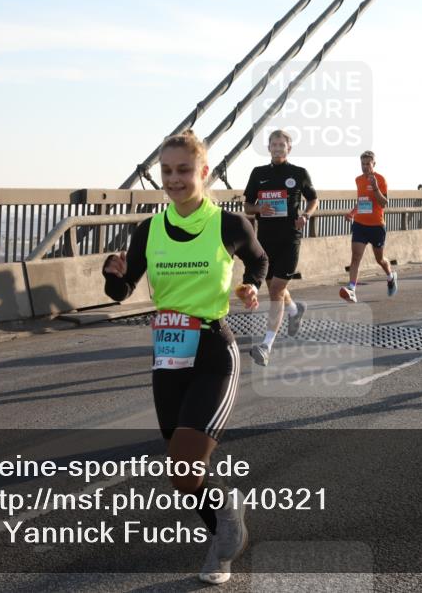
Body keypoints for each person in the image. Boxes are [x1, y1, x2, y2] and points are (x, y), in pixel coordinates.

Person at [103, 130, 267, 585]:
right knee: (182, 474)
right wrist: (112, 275)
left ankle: (222, 546)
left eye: (183, 170)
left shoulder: (230, 225)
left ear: (204, 172)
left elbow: (259, 260)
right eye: (167, 171)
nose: (174, 179)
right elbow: (121, 290)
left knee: (187, 461)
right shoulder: (148, 230)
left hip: (213, 349)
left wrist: (251, 285)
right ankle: (225, 532)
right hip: (169, 355)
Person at [242, 129, 318, 366]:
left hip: (290, 239)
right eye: (273, 144)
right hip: (265, 240)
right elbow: (247, 206)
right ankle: (294, 310)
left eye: (281, 145)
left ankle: (266, 346)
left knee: (275, 290)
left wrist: (306, 215)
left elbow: (313, 199)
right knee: (275, 288)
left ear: (289, 148)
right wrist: (259, 209)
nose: (277, 148)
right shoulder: (259, 173)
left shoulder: (299, 173)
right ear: (269, 148)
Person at [339, 150, 398, 303]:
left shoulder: (381, 179)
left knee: (380, 259)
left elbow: (383, 203)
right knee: (355, 257)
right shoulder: (358, 180)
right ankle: (352, 289)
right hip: (360, 224)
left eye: (368, 164)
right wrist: (352, 213)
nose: (365, 167)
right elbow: (362, 201)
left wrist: (375, 187)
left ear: (374, 164)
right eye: (362, 164)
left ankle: (390, 277)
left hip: (376, 225)